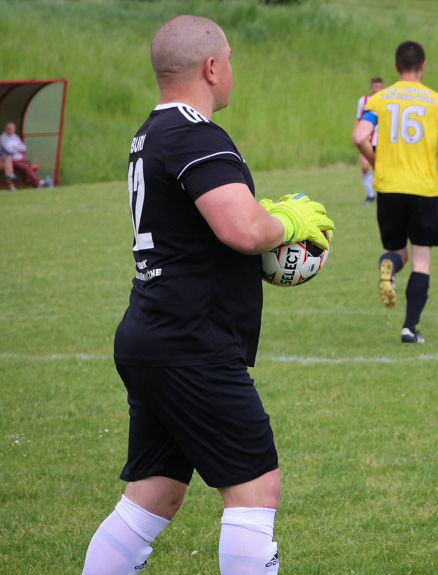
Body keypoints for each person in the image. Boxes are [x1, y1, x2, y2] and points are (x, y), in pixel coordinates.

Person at [81, 15, 333, 575]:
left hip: (154, 332)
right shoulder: (195, 133)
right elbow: (242, 230)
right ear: (213, 67)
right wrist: (285, 220)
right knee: (256, 489)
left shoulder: (150, 133)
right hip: (192, 342)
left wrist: (259, 221)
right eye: (231, 60)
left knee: (155, 494)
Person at [352, 41, 438, 343]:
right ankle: (409, 328)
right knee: (421, 261)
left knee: (397, 251)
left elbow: (359, 136)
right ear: (423, 66)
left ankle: (388, 265)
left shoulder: (381, 99)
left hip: (388, 188)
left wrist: (376, 161)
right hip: (423, 190)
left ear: (396, 67)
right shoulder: (436, 101)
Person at [354, 76, 383, 206]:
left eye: (380, 87)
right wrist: (355, 133)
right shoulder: (364, 100)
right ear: (371, 87)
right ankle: (370, 195)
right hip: (366, 138)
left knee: (379, 167)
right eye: (375, 87)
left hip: (381, 139)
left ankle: (383, 193)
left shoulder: (386, 99)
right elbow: (359, 118)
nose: (377, 89)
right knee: (365, 166)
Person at [0, 122, 51, 189]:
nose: (11, 130)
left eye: (12, 128)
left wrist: (14, 146)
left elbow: (24, 147)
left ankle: (39, 182)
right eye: (9, 129)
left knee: (29, 165)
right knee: (26, 167)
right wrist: (17, 147)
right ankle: (38, 183)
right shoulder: (3, 138)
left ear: (14, 129)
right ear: (6, 129)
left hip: (20, 158)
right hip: (11, 160)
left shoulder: (16, 137)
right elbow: (9, 150)